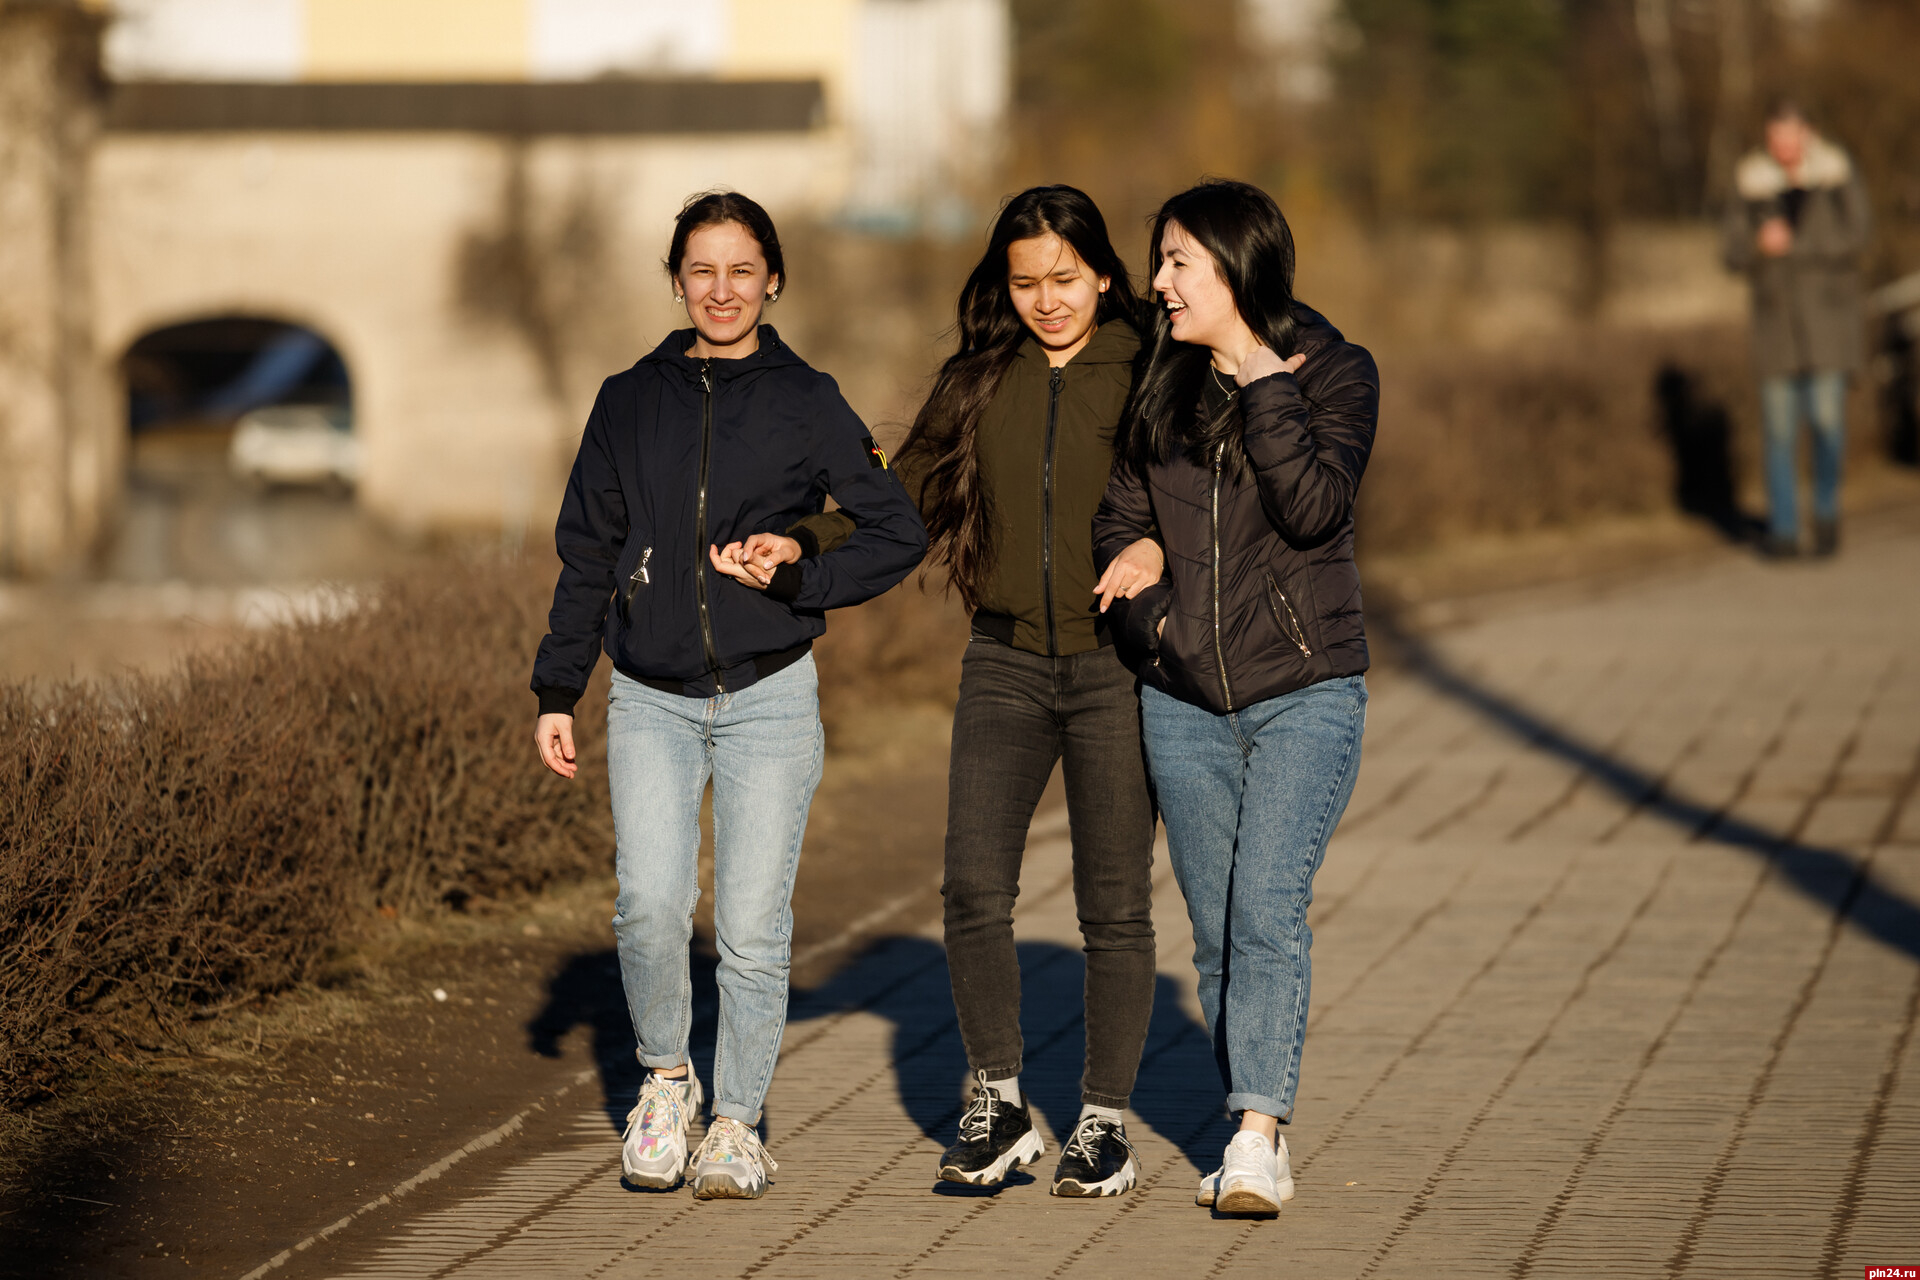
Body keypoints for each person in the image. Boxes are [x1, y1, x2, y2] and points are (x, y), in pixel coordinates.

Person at [734, 185, 1163, 1197]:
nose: (1046, 300)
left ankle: (1103, 1122)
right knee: (973, 886)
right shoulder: (983, 378)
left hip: (1118, 667)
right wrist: (797, 543)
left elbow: (1201, 498)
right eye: (1025, 283)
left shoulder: (1153, 375)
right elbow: (896, 499)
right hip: (1005, 661)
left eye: (1065, 278)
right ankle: (1001, 1103)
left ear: (1103, 272)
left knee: (1115, 905)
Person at [529, 191, 926, 1200]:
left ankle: (741, 1121)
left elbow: (893, 527)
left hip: (770, 694)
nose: (721, 289)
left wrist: (799, 572)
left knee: (753, 925)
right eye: (701, 270)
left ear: (773, 279)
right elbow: (586, 552)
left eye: (741, 269)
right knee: (650, 905)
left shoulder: (807, 397)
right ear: (675, 280)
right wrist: (557, 687)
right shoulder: (627, 399)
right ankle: (667, 1081)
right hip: (650, 697)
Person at [1093, 179, 1377, 1216]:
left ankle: (1255, 1134)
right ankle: (1251, 1121)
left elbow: (1313, 507)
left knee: (1266, 906)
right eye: (1159, 260)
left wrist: (1264, 380)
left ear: (1236, 267)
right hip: (1183, 696)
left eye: (1177, 262)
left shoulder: (1336, 371)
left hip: (1306, 687)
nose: (1157, 282)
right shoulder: (1158, 387)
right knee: (1217, 930)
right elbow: (1115, 531)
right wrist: (1152, 610)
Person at [1722, 98, 1872, 558]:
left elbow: (1860, 234)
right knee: (1779, 432)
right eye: (1774, 136)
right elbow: (1730, 252)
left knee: (1827, 422)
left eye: (1789, 134)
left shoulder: (1836, 174)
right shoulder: (1751, 181)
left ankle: (1826, 509)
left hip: (1828, 322)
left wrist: (1800, 245)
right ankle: (1784, 530)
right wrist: (1758, 244)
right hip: (1775, 326)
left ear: (1808, 133)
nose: (1781, 144)